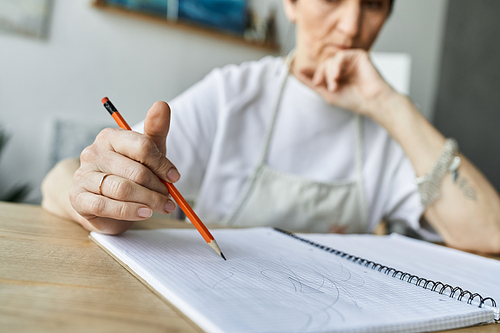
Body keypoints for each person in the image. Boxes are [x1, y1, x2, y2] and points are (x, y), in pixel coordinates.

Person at [41, 0, 500, 253]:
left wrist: (390, 105)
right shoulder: (231, 96)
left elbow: (489, 234)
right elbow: (58, 181)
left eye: (375, 4)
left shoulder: (391, 124)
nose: (353, 24)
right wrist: (92, 195)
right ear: (292, 4)